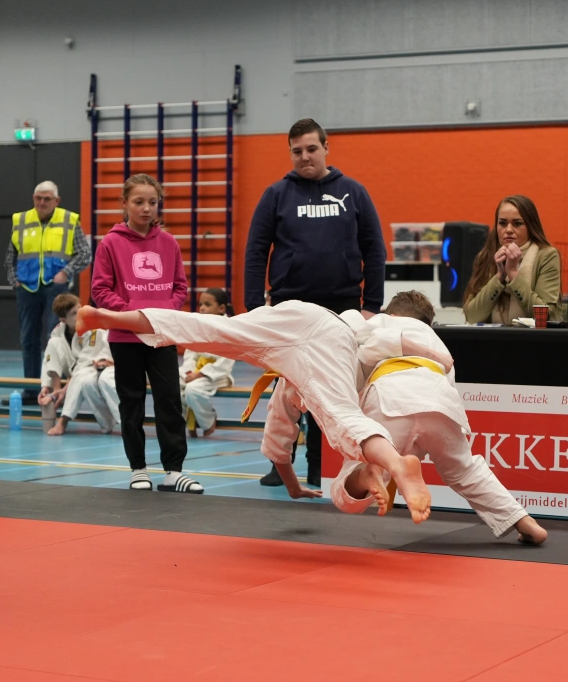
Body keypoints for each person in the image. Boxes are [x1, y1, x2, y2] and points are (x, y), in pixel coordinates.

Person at [75, 300, 432, 523]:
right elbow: (281, 434)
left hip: (301, 311)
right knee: (342, 417)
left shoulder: (295, 376)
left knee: (207, 326)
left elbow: (279, 435)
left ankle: (107, 316)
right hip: (332, 334)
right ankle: (397, 464)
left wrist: (293, 487)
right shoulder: (331, 366)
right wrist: (294, 486)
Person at [326, 291, 547, 543]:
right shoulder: (435, 340)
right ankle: (523, 521)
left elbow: (348, 341)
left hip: (389, 394)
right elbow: (439, 400)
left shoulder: (380, 322)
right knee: (465, 470)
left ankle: (364, 474)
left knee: (354, 473)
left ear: (392, 313)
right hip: (439, 399)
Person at [244, 118, 386, 488]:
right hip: (290, 307)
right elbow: (256, 251)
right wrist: (254, 307)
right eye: (297, 151)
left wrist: (372, 304)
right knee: (285, 391)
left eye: (311, 149)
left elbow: (375, 249)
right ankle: (280, 463)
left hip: (341, 306)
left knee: (332, 390)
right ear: (290, 153)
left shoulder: (353, 192)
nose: (305, 157)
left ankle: (320, 465)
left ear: (325, 148)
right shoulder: (276, 195)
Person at [90, 174, 194, 492]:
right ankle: (138, 468)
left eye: (152, 202)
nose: (147, 208)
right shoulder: (110, 243)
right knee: (131, 402)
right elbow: (100, 290)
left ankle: (174, 471)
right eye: (139, 202)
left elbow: (180, 288)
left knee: (169, 400)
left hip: (161, 336)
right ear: (125, 204)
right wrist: (133, 316)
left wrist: (161, 314)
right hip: (126, 337)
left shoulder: (169, 243)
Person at [6, 180, 90, 383]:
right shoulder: (21, 220)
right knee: (28, 339)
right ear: (33, 198)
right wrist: (14, 280)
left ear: (56, 200)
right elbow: (11, 256)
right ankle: (31, 388)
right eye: (38, 198)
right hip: (26, 287)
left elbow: (84, 253)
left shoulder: (69, 220)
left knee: (57, 338)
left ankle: (55, 387)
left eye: (47, 199)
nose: (42, 202)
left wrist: (65, 273)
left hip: (56, 288)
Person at [463, 195, 564, 324]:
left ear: (530, 226)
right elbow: (472, 316)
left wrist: (513, 274)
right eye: (502, 223)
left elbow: (545, 316)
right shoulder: (486, 255)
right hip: (493, 336)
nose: (509, 230)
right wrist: (499, 277)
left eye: (517, 223)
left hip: (531, 336)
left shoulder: (546, 256)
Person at [41, 293, 117, 436]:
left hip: (97, 367)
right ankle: (55, 390)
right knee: (53, 342)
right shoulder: (58, 330)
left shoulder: (92, 327)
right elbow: (48, 357)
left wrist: (65, 389)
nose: (80, 314)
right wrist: (46, 385)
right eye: (74, 313)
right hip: (77, 370)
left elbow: (84, 363)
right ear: (63, 320)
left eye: (80, 309)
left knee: (85, 381)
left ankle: (63, 420)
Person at [180, 288, 235, 438]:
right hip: (195, 371)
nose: (202, 308)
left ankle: (208, 421)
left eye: (207, 304)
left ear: (221, 308)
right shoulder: (198, 326)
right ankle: (182, 422)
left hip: (218, 375)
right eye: (201, 304)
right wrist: (190, 372)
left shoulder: (230, 329)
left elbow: (225, 363)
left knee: (192, 390)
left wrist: (201, 373)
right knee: (173, 384)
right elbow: (191, 354)